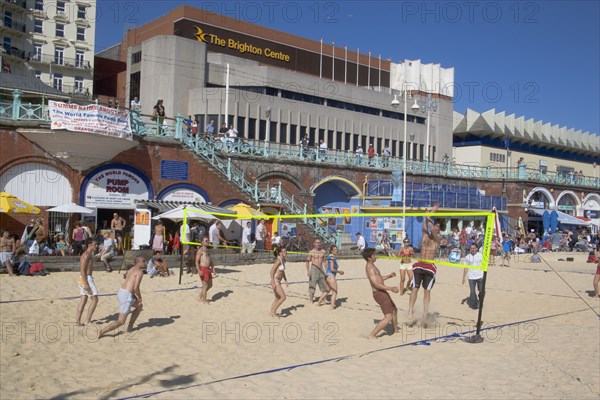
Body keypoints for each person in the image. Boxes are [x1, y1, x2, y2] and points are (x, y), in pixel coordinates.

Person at [408, 203, 441, 327]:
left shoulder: (436, 240)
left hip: (430, 267)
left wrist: (430, 213)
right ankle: (410, 310)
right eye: (435, 227)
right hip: (420, 264)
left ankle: (424, 316)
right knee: (415, 288)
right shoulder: (425, 236)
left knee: (427, 291)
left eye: (437, 228)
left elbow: (432, 229)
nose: (435, 229)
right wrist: (428, 215)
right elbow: (424, 225)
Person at [98, 256, 144, 338]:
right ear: (138, 262)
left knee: (139, 306)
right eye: (143, 261)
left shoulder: (131, 269)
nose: (145, 262)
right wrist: (140, 297)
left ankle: (130, 327)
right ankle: (102, 332)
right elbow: (136, 288)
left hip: (122, 291)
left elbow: (125, 277)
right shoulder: (139, 272)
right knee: (121, 321)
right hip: (127, 295)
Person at [364, 247, 399, 339]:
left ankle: (395, 331)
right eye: (374, 255)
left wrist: (389, 276)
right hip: (379, 293)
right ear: (369, 258)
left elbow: (379, 278)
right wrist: (391, 288)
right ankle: (372, 335)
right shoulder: (370, 268)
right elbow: (376, 284)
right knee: (388, 316)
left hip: (382, 292)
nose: (376, 256)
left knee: (394, 309)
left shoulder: (373, 266)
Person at [76, 238, 99, 326]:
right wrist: (86, 283)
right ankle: (87, 321)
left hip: (84, 278)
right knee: (95, 299)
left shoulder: (89, 254)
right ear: (89, 245)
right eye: (95, 244)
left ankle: (78, 322)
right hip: (86, 278)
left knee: (84, 299)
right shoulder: (86, 255)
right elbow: (82, 270)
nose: (96, 246)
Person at [305, 239, 329, 304]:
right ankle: (311, 299)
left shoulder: (323, 251)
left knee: (323, 284)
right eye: (316, 243)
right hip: (314, 268)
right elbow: (307, 262)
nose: (318, 244)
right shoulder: (311, 252)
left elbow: (324, 262)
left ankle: (324, 298)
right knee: (312, 284)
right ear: (314, 244)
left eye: (319, 242)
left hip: (321, 269)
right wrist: (308, 271)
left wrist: (327, 271)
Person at [321, 245, 344, 310]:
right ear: (331, 251)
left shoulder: (331, 257)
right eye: (335, 249)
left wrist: (326, 271)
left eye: (337, 249)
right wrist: (339, 272)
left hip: (328, 275)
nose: (336, 250)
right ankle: (331, 307)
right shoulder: (331, 257)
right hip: (331, 275)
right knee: (334, 292)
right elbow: (332, 269)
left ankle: (318, 303)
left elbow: (325, 263)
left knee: (327, 291)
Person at [462, 243, 484, 309]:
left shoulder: (481, 255)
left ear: (477, 248)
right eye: (471, 248)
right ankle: (475, 305)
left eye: (474, 248)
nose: (472, 249)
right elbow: (465, 267)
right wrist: (463, 277)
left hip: (480, 276)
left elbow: (485, 266)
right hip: (471, 277)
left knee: (481, 291)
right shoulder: (467, 257)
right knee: (472, 292)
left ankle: (480, 301)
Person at [269, 247, 289, 317]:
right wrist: (273, 282)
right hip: (275, 280)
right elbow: (272, 271)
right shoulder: (278, 260)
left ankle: (271, 312)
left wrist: (285, 279)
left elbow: (282, 271)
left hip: (278, 281)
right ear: (280, 253)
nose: (285, 253)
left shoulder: (283, 260)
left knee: (277, 298)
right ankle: (274, 312)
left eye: (285, 251)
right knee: (283, 297)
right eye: (283, 252)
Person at [196, 236, 215, 303]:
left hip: (208, 269)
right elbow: (196, 261)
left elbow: (211, 261)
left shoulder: (207, 250)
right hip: (203, 269)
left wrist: (213, 269)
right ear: (202, 242)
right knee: (205, 285)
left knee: (210, 285)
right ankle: (204, 300)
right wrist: (199, 270)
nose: (208, 242)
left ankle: (200, 296)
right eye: (206, 241)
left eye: (208, 240)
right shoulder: (200, 250)